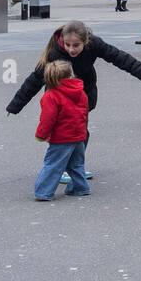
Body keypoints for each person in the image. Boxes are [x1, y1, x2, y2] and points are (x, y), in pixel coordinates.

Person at [6, 20, 141, 185]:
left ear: (86, 41)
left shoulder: (95, 44)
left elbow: (119, 57)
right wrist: (15, 105)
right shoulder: (54, 53)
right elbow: (35, 79)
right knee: (62, 134)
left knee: (80, 132)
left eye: (76, 45)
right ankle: (64, 167)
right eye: (68, 45)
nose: (71, 49)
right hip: (58, 99)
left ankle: (75, 166)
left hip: (82, 96)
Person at [31, 60, 91, 201]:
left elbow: (47, 119)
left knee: (53, 164)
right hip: (79, 135)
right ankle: (80, 187)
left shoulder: (51, 96)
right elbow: (84, 112)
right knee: (76, 164)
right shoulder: (80, 92)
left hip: (61, 137)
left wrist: (41, 135)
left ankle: (43, 192)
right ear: (70, 75)